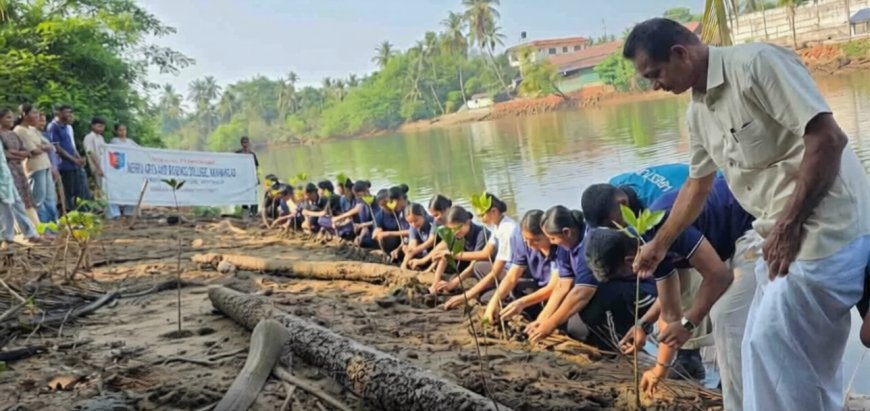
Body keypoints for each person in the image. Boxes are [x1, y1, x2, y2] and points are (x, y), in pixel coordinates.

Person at [625, 18, 870, 411]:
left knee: (778, 351)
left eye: (655, 74)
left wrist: (789, 226)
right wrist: (659, 243)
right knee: (759, 350)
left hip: (826, 229)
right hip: (776, 238)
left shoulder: (756, 64)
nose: (656, 85)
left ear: (680, 53)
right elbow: (696, 185)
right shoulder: (698, 112)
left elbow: (828, 138)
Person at [587, 177, 756, 405]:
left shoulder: (659, 230)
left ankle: (743, 402)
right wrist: (658, 366)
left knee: (725, 316)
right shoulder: (649, 252)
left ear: (629, 261)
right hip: (733, 242)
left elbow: (719, 276)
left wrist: (689, 324)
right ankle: (739, 389)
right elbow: (670, 312)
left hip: (753, 219)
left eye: (625, 276)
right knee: (720, 311)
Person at [582, 183, 713, 380]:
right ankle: (689, 358)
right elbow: (669, 299)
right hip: (694, 239)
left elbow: (718, 278)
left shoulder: (659, 228)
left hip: (732, 221)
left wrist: (686, 327)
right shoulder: (647, 244)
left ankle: (691, 357)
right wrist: (643, 324)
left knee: (724, 312)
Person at [443, 193, 522, 310]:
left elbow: (495, 271)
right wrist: (455, 255)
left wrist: (465, 296)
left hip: (515, 274)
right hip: (506, 271)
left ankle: (509, 296)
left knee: (484, 298)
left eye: (482, 215)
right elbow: (485, 253)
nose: (480, 220)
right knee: (479, 266)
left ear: (494, 211)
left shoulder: (507, 230)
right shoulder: (498, 226)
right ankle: (497, 289)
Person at [482, 210, 564, 323]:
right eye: (527, 240)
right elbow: (512, 277)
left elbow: (553, 287)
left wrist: (522, 303)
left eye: (536, 240)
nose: (530, 245)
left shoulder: (560, 247)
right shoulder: (522, 240)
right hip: (537, 286)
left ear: (548, 235)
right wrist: (494, 302)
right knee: (494, 296)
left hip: (558, 291)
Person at [427, 205, 492, 295]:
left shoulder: (482, 234)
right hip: (465, 265)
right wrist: (435, 282)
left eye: (457, 228)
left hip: (480, 268)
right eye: (451, 229)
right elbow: (445, 257)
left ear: (468, 222)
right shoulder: (455, 234)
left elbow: (473, 265)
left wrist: (453, 283)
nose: (455, 232)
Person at [14, 104, 53, 226]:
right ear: (25, 115)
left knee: (49, 198)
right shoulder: (19, 130)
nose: (37, 116)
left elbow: (48, 145)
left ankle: (51, 226)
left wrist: (43, 147)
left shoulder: (32, 129)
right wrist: (42, 147)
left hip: (45, 164)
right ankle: (40, 227)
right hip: (35, 167)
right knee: (38, 199)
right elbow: (34, 151)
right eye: (34, 113)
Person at [0, 108, 39, 227]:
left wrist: (14, 154)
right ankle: (19, 229)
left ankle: (34, 226)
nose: (11, 120)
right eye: (8, 117)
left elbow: (26, 152)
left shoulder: (13, 134)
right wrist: (16, 154)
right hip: (7, 171)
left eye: (12, 117)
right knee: (11, 199)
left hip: (18, 169)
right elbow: (4, 154)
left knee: (25, 197)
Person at [48, 105, 90, 211]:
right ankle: (67, 215)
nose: (70, 115)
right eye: (67, 112)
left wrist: (79, 159)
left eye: (71, 112)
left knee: (78, 191)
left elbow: (71, 146)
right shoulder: (54, 126)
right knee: (67, 194)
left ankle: (78, 215)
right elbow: (57, 148)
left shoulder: (67, 127)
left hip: (73, 165)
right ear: (59, 113)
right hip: (63, 165)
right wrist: (74, 160)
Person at [407, 194, 453, 269]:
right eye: (433, 216)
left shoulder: (456, 221)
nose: (435, 219)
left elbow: (443, 244)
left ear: (446, 210)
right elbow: (432, 240)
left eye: (437, 215)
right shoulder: (437, 221)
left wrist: (422, 260)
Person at [83, 117, 114, 217]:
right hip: (96, 167)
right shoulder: (89, 137)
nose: (101, 129)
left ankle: (104, 210)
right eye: (99, 126)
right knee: (100, 189)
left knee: (104, 189)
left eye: (103, 127)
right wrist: (98, 168)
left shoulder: (100, 138)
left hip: (104, 166)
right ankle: (100, 211)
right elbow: (90, 152)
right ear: (93, 126)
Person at [372, 186, 410, 256]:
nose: (386, 206)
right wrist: (377, 233)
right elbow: (376, 231)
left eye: (388, 203)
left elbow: (411, 231)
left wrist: (389, 233)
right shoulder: (380, 215)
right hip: (401, 239)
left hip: (405, 238)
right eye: (382, 205)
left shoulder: (403, 210)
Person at [35, 113, 60, 224]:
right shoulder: (32, 134)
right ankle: (44, 225)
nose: (42, 123)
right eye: (40, 121)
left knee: (51, 198)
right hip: (38, 167)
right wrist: (48, 147)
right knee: (41, 198)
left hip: (49, 167)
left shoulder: (45, 135)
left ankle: (53, 223)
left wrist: (55, 167)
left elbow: (52, 153)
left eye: (44, 121)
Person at [397, 203, 436, 270]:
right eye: (410, 222)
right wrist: (405, 262)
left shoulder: (434, 222)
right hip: (425, 253)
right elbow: (412, 246)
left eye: (416, 221)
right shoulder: (413, 226)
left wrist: (414, 250)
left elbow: (431, 242)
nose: (413, 224)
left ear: (423, 215)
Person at [235, 136, 259, 218]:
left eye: (247, 142)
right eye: (244, 142)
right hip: (242, 179)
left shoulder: (252, 154)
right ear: (241, 144)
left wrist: (257, 177)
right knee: (244, 196)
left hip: (251, 178)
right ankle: (245, 214)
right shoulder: (237, 154)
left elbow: (256, 167)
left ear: (249, 143)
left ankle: (254, 214)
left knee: (254, 196)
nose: (245, 144)